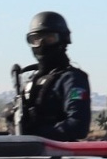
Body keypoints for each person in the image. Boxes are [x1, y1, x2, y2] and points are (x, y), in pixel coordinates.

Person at [6, 11, 91, 141]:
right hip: (27, 152)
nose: (42, 45)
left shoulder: (72, 79)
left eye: (49, 39)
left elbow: (78, 125)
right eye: (35, 40)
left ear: (63, 40)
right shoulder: (31, 81)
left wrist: (37, 136)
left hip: (59, 156)